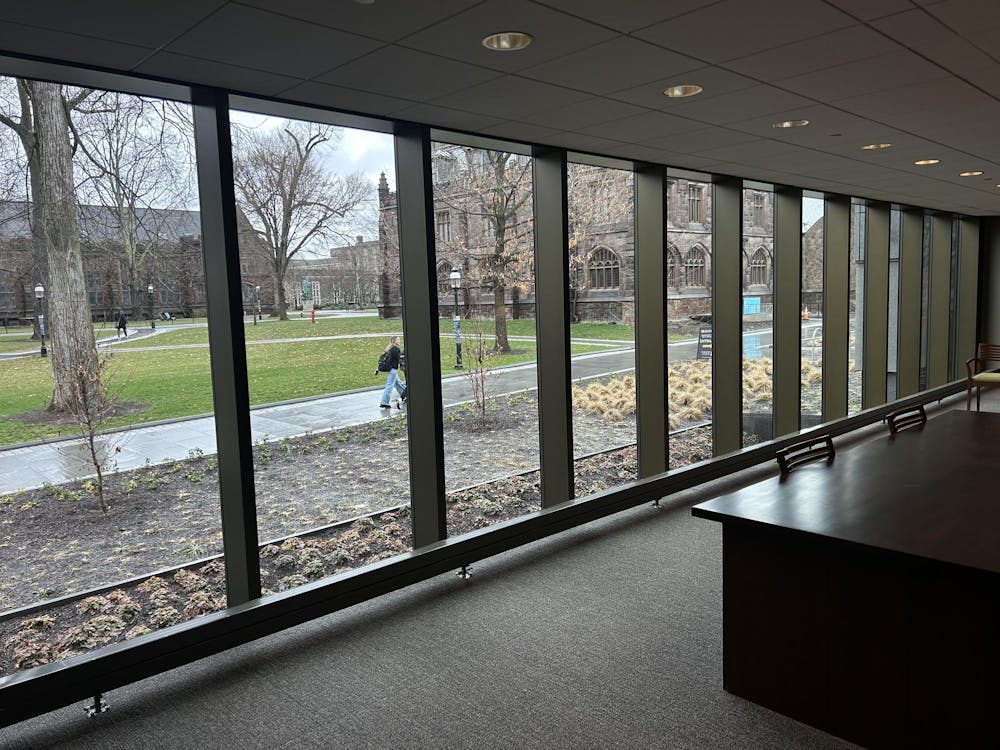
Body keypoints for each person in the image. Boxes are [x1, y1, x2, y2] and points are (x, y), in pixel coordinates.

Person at [377, 335, 406, 409]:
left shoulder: (389, 348)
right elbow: (399, 359)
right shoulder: (396, 349)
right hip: (393, 370)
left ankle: (405, 395)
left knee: (398, 383)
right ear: (394, 341)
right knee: (389, 386)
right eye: (398, 340)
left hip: (391, 369)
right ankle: (384, 402)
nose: (400, 341)